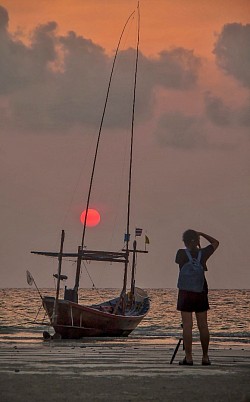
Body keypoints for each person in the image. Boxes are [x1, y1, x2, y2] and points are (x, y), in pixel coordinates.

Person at [175, 229, 219, 366]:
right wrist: (201, 235)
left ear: (185, 241)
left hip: (185, 293)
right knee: (203, 325)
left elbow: (181, 264)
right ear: (197, 240)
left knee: (187, 326)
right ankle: (205, 357)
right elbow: (216, 242)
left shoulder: (181, 253)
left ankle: (189, 358)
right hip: (200, 291)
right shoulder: (203, 253)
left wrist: (194, 242)